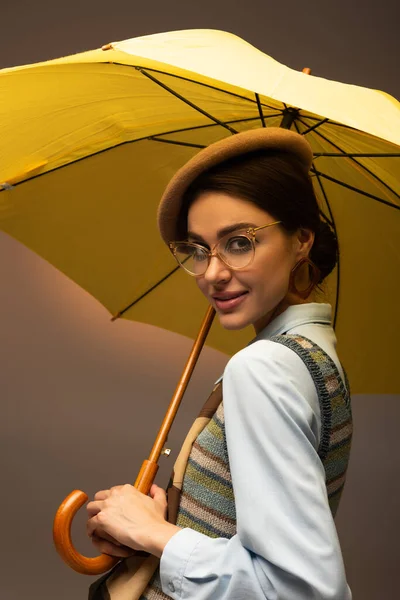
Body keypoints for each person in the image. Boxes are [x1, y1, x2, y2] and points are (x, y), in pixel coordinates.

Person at [87, 128, 353, 600]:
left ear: (302, 241)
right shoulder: (315, 355)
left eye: (239, 243)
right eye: (198, 249)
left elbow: (301, 591)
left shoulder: (265, 368)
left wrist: (156, 537)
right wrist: (165, 515)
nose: (212, 273)